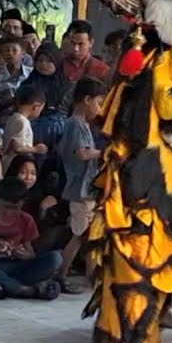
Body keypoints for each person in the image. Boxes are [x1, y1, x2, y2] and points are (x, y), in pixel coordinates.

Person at [0, 176, 63, 300]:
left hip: (17, 266)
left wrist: (20, 254)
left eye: (15, 208)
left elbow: (31, 254)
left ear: (22, 203)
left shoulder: (26, 220)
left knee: (55, 258)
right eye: (6, 207)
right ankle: (22, 289)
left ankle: (8, 286)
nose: (10, 213)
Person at [56, 77, 108, 291]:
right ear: (87, 100)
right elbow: (82, 153)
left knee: (90, 233)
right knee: (80, 235)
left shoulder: (82, 124)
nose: (99, 108)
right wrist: (106, 154)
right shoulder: (75, 124)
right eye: (98, 102)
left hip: (88, 190)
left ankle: (92, 275)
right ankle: (61, 274)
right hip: (80, 190)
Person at [4, 84, 48, 165]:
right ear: (36, 107)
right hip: (15, 164)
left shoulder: (13, 118)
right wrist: (36, 149)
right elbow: (17, 147)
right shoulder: (22, 122)